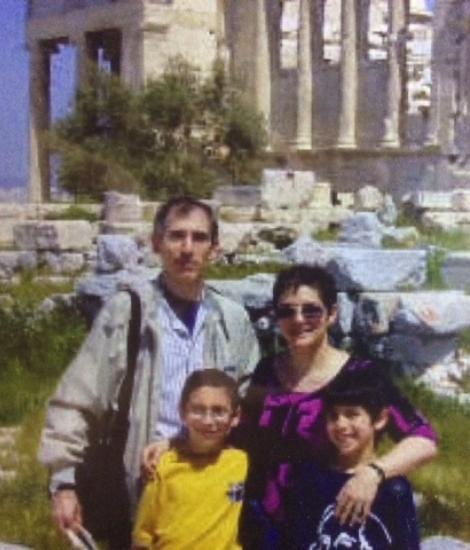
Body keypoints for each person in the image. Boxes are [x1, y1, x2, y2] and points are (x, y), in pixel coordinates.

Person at [38, 196, 260, 547]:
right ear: (157, 243)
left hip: (207, 491)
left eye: (199, 238)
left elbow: (244, 404)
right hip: (139, 484)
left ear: (215, 248)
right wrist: (64, 482)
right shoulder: (127, 313)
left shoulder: (233, 319)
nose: (187, 249)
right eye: (176, 236)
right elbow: (77, 399)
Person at [239, 264, 437, 548]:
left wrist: (374, 473)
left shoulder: (361, 375)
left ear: (332, 314)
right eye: (287, 311)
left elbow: (423, 439)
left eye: (311, 310)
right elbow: (241, 433)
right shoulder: (267, 370)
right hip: (265, 527)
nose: (298, 319)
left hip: (327, 526)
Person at [285, 366, 421, 549]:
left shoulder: (394, 490)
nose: (340, 424)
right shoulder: (310, 477)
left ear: (380, 419)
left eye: (352, 414)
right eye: (333, 416)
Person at [132, 369, 247, 550]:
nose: (208, 421)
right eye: (198, 410)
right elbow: (143, 536)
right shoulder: (163, 466)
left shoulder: (241, 464)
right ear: (182, 412)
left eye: (218, 411)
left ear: (235, 416)